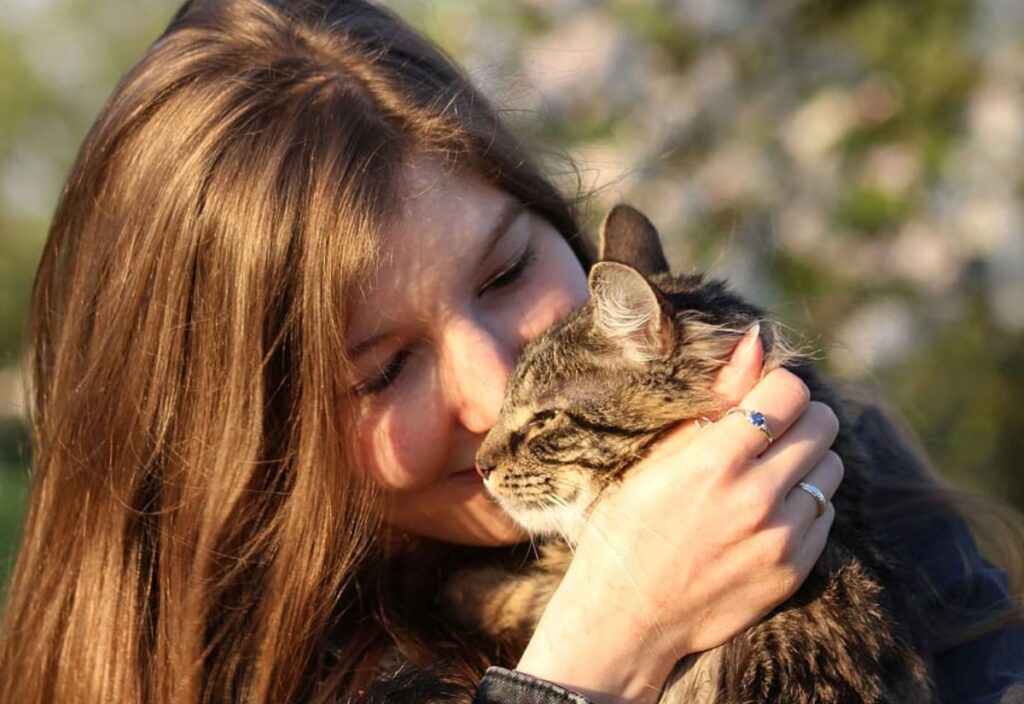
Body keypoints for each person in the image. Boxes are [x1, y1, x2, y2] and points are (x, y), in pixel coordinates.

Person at [0, 1, 1020, 702]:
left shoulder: (826, 478)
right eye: (383, 368)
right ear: (245, 434)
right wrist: (603, 641)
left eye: (501, 274)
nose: (493, 395)